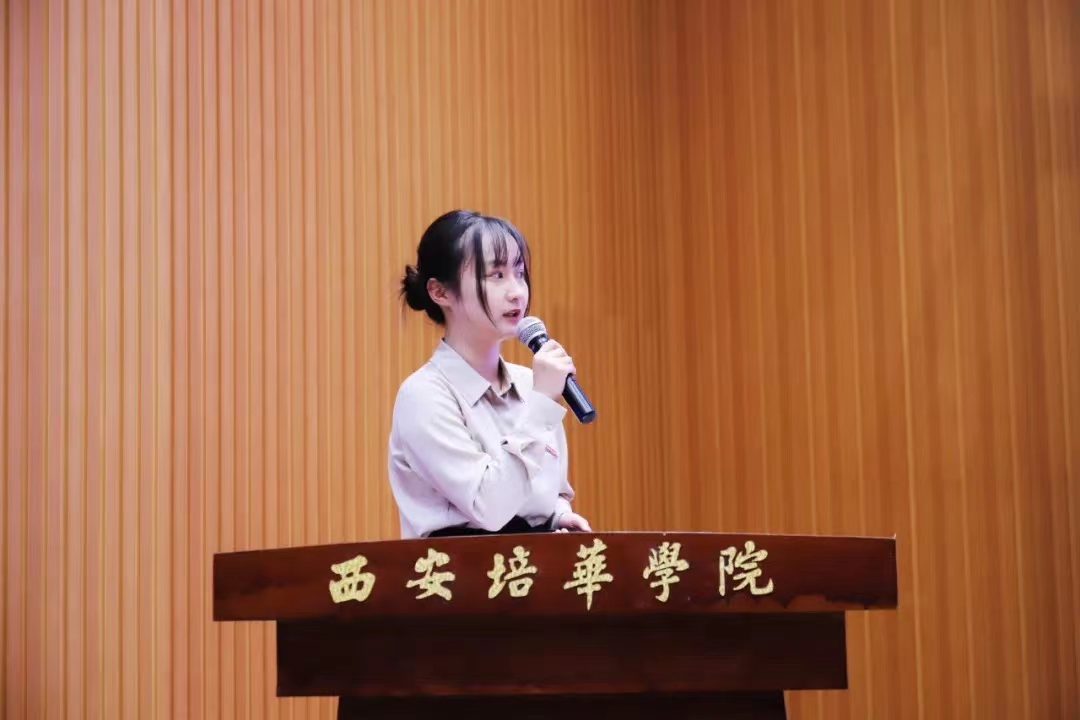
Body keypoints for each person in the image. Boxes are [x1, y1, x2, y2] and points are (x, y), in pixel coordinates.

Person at [388, 209, 592, 538]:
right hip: (461, 567)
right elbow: (490, 508)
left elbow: (549, 492)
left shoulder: (532, 384)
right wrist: (542, 403)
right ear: (440, 292)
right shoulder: (423, 396)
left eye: (519, 273)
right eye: (496, 275)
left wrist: (559, 515)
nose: (517, 291)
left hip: (532, 564)